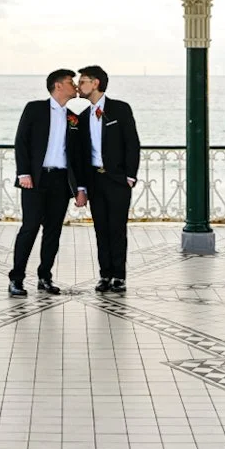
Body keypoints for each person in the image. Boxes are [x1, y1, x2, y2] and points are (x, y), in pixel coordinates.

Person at [8, 68, 87, 297]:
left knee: (53, 231)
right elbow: (21, 141)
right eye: (70, 82)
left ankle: (45, 276)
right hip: (35, 179)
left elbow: (78, 157)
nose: (74, 86)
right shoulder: (35, 109)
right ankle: (16, 279)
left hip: (61, 181)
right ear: (58, 86)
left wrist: (80, 188)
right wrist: (23, 173)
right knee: (30, 227)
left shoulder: (73, 116)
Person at [78, 65, 140, 293]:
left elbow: (132, 143)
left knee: (117, 229)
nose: (79, 86)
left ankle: (119, 276)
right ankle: (104, 275)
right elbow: (81, 154)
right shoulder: (83, 116)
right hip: (95, 180)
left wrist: (130, 177)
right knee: (101, 230)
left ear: (95, 83)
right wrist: (81, 186)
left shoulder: (120, 109)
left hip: (117, 180)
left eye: (83, 81)